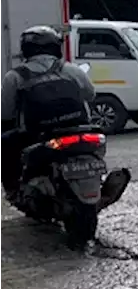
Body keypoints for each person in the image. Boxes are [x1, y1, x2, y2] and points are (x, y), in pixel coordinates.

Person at [0, 26, 95, 198]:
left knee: (5, 143)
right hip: (78, 128)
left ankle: (13, 190)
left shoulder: (14, 76)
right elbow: (90, 94)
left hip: (35, 135)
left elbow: (5, 112)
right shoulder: (71, 70)